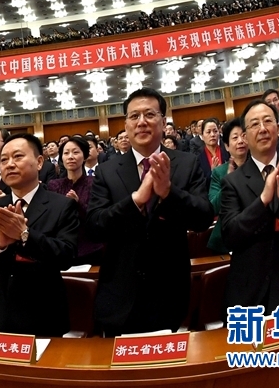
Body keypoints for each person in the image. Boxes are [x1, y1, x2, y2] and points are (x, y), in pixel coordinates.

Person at [86, 88, 213, 336]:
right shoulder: (107, 171)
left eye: (150, 114)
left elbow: (203, 218)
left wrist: (169, 193)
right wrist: (134, 201)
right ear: (126, 125)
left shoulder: (186, 163)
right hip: (119, 294)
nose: (141, 122)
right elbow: (94, 226)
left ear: (163, 122)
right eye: (134, 116)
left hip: (170, 292)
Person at [0, 133, 79, 336]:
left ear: (39, 162)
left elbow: (66, 256)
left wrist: (25, 235)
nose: (9, 164)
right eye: (4, 160)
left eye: (17, 157)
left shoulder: (61, 205)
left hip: (44, 313)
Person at [219, 100, 279, 312]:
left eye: (268, 121)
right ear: (245, 136)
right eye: (254, 124)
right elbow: (230, 235)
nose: (263, 129)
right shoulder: (232, 181)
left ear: (278, 126)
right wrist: (263, 200)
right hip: (247, 290)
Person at [47, 135, 100, 264]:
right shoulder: (54, 185)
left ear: (85, 156)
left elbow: (98, 218)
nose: (70, 157)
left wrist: (78, 203)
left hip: (90, 247)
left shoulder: (95, 183)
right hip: (61, 247)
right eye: (66, 153)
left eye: (75, 152)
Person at [206, 118, 249, 254]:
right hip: (226, 238)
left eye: (244, 136)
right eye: (235, 138)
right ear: (227, 146)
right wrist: (228, 180)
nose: (240, 141)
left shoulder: (259, 167)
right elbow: (213, 207)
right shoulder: (219, 172)